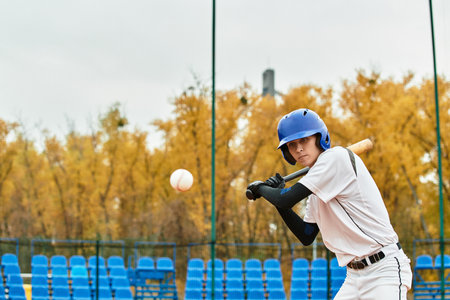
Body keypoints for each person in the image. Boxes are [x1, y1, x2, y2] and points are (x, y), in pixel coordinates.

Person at [247, 108, 412, 299]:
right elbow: (306, 235)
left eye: (304, 140)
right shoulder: (315, 189)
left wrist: (261, 188)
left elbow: (286, 198)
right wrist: (277, 199)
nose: (299, 148)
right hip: (353, 276)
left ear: (319, 138)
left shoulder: (336, 157)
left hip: (384, 269)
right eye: (292, 145)